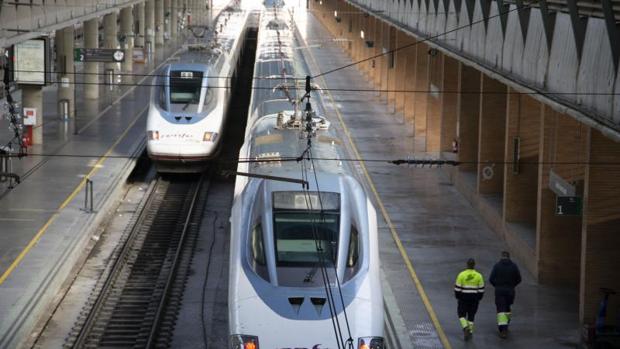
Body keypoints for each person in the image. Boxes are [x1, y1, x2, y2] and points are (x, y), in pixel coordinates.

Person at [489, 251, 522, 338]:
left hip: (499, 291)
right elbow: (519, 279)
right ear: (509, 257)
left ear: (501, 257)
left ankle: (503, 330)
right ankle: (506, 324)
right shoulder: (514, 266)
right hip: (510, 291)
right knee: (507, 308)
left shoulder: (497, 266)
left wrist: (497, 286)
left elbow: (491, 279)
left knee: (501, 310)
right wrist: (512, 285)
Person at [454, 258, 485, 340]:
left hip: (463, 298)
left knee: (461, 314)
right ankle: (470, 331)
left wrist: (458, 297)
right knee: (471, 315)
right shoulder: (479, 276)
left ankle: (465, 327)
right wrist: (478, 298)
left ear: (467, 265)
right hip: (474, 299)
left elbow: (457, 289)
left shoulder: (461, 275)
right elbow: (481, 289)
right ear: (474, 265)